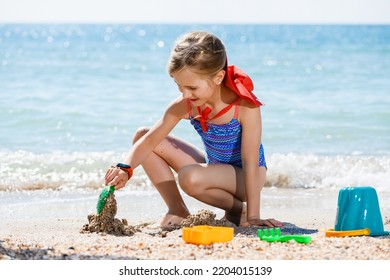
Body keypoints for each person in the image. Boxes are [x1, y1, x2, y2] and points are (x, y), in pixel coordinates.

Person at [104, 31, 282, 228]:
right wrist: (125, 169)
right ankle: (177, 210)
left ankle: (239, 212)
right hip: (215, 169)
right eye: (179, 86)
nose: (185, 94)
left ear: (218, 77)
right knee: (142, 135)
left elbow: (250, 161)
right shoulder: (186, 104)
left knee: (189, 176)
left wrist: (254, 217)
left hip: (248, 179)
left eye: (192, 88)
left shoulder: (245, 107)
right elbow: (149, 142)